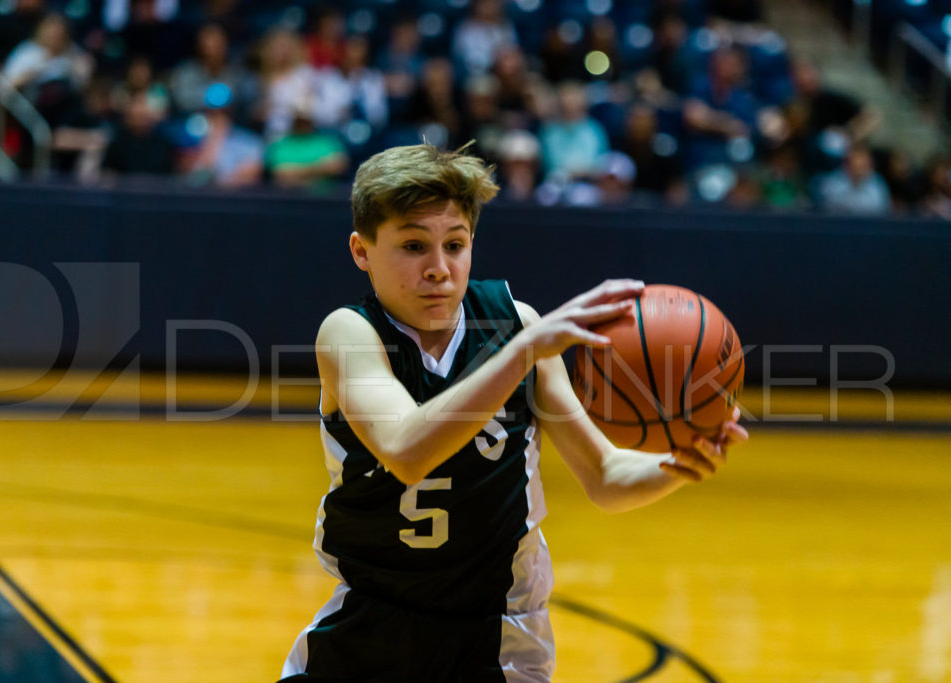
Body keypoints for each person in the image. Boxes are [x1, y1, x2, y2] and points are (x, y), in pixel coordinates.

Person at [279, 143, 747, 682]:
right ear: (362, 251)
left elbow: (607, 475)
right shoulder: (350, 333)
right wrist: (524, 350)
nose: (438, 269)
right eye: (412, 246)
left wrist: (672, 466)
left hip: (499, 634)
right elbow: (407, 450)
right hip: (372, 621)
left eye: (454, 245)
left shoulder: (516, 324)